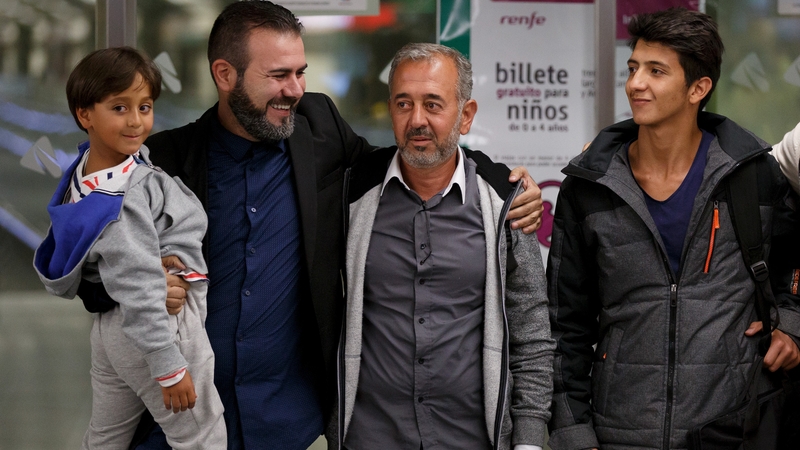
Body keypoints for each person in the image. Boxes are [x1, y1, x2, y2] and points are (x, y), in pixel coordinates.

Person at [77, 2, 545, 449]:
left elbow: (414, 154)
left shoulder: (320, 129)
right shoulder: (168, 162)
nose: (295, 89)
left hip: (285, 424)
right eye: (278, 75)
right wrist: (140, 281)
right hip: (180, 418)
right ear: (225, 75)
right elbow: (88, 257)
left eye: (300, 72)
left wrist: (500, 180)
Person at [546, 8, 800, 450]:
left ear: (698, 88)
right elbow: (563, 325)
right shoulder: (590, 189)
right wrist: (572, 433)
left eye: (656, 71)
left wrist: (792, 324)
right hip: (618, 433)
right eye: (633, 68)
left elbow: (794, 258)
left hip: (732, 429)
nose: (635, 83)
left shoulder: (751, 177)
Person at [328, 43, 553, 450]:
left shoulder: (506, 205)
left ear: (465, 116)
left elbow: (532, 332)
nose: (417, 120)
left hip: (471, 439)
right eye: (403, 104)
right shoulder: (349, 198)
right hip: (370, 437)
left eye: (433, 104)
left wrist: (530, 440)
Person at [32, 47, 226, 449]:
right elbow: (138, 282)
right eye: (119, 108)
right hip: (156, 325)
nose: (137, 121)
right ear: (85, 114)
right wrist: (169, 365)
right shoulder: (124, 198)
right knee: (202, 435)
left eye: (145, 106)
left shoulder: (87, 173)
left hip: (110, 333)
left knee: (105, 439)